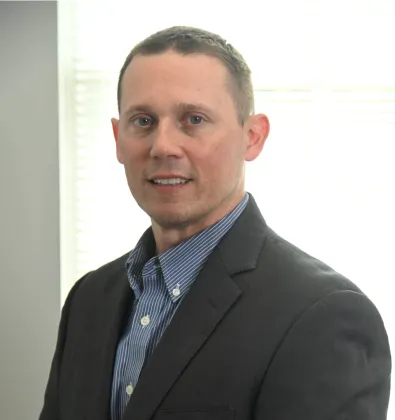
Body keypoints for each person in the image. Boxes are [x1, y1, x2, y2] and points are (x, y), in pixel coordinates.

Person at [39, 26, 391, 420]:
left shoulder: (323, 316)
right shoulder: (88, 300)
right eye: (143, 121)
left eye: (193, 119)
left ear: (253, 136)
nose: (163, 146)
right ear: (118, 138)